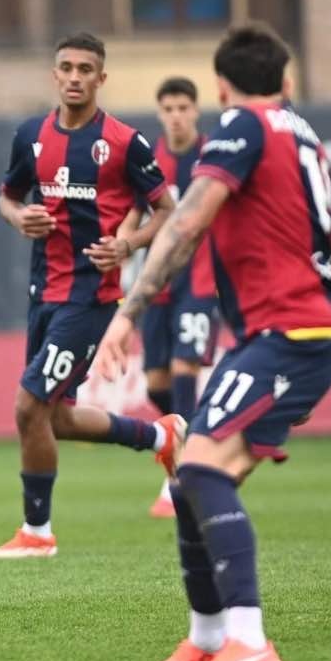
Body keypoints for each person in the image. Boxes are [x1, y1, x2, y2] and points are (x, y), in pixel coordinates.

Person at [92, 23, 331, 661]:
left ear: (219, 89)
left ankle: (249, 641)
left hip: (286, 335)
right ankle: (207, 641)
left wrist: (127, 313)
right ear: (287, 82)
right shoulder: (306, 137)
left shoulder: (242, 126)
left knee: (202, 472)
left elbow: (186, 221)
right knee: (191, 476)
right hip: (295, 333)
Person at [0, 32, 184, 560]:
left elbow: (168, 212)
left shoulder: (123, 143)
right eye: (67, 67)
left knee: (28, 405)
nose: (75, 77)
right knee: (55, 418)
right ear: (55, 75)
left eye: (85, 69)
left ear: (101, 78)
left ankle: (37, 532)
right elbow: (6, 198)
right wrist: (18, 217)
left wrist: (127, 244)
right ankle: (161, 438)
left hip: (90, 299)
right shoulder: (31, 136)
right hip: (42, 296)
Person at [124, 77, 218, 518]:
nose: (177, 116)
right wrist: (122, 245)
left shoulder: (213, 157)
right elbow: (134, 216)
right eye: (169, 109)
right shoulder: (151, 161)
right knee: (156, 384)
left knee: (185, 369)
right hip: (158, 284)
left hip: (199, 280)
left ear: (195, 111)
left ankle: (183, 473)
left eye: (183, 107)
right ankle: (194, 440)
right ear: (160, 114)